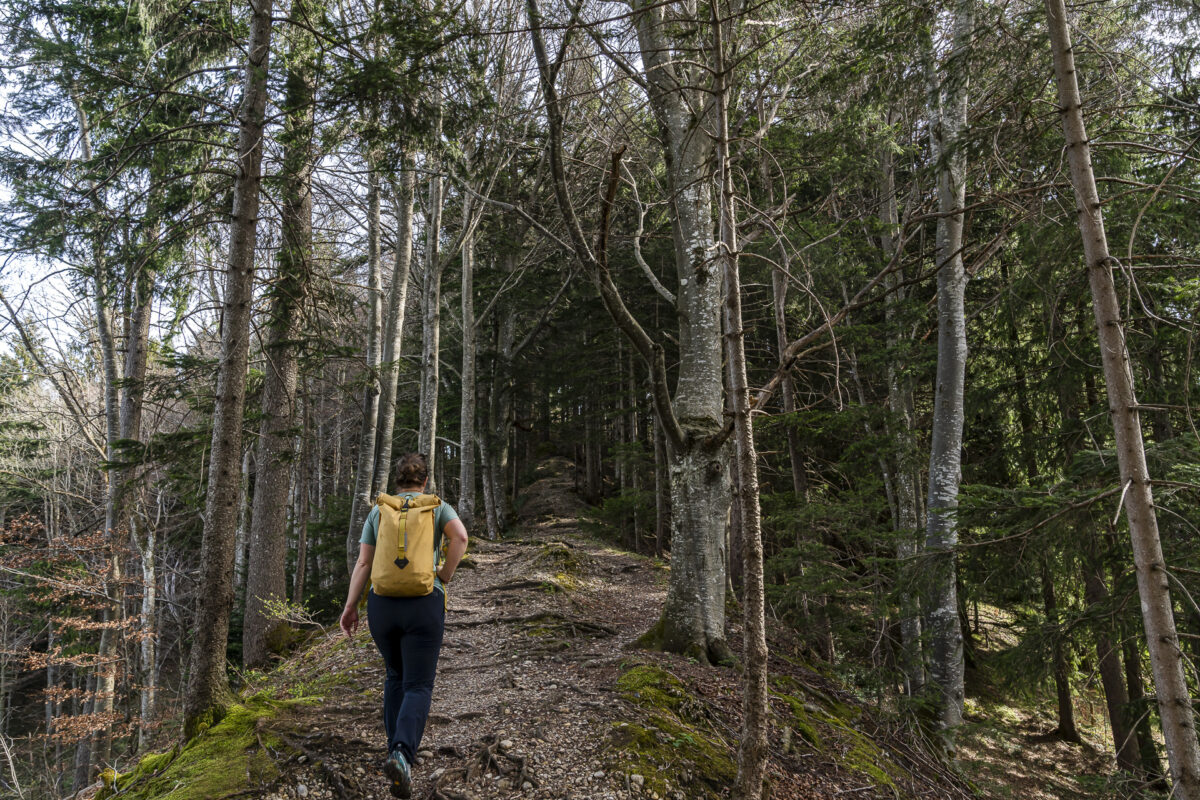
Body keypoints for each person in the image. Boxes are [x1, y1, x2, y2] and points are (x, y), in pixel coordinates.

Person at [340, 453, 469, 799]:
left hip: (382, 607)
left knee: (395, 675)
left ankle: (393, 750)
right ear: (425, 481)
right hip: (423, 603)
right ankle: (401, 753)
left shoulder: (379, 510)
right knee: (419, 684)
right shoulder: (437, 506)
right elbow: (461, 539)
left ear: (398, 482)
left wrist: (351, 606)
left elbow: (364, 562)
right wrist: (444, 575)